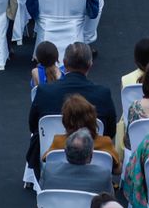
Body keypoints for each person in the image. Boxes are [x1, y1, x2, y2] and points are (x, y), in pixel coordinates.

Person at [29, 42, 118, 177]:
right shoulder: (102, 94)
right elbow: (110, 131)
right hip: (94, 162)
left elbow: (33, 126)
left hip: (51, 160)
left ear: (64, 62)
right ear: (90, 65)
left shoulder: (44, 91)